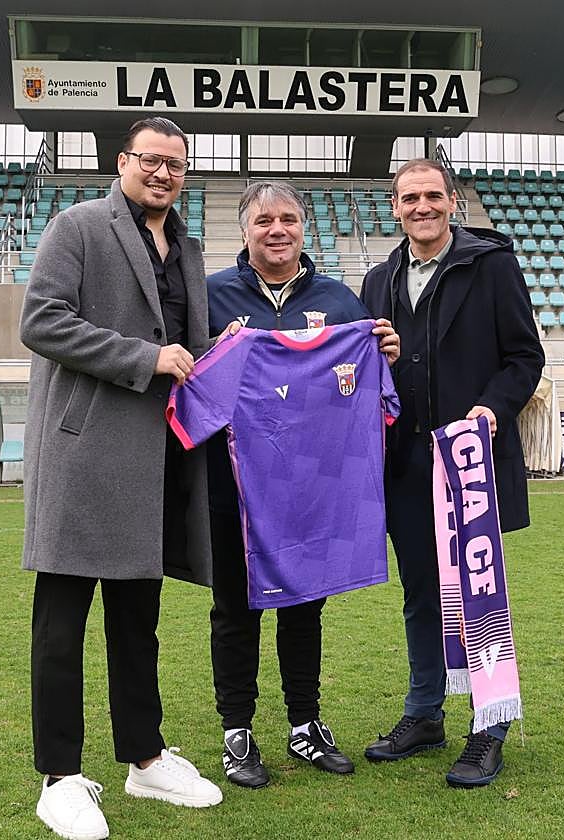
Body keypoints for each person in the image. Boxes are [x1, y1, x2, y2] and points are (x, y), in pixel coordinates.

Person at [20, 116, 222, 840]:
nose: (163, 173)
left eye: (176, 163)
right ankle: (60, 778)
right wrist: (147, 357)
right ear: (123, 161)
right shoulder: (77, 226)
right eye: (151, 160)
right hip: (83, 457)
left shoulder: (189, 249)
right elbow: (41, 322)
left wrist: (214, 351)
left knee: (139, 626)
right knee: (61, 625)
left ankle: (143, 758)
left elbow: (188, 352)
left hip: (157, 461)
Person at [203, 181, 400, 788]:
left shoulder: (340, 301)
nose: (277, 230)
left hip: (313, 484)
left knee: (304, 603)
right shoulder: (209, 297)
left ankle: (304, 725)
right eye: (264, 220)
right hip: (233, 484)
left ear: (303, 228)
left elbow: (366, 388)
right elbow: (184, 373)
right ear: (245, 230)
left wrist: (382, 354)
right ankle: (237, 730)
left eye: (288, 218)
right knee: (234, 606)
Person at [358, 158, 544, 788]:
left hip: (470, 464)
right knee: (419, 592)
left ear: (453, 201)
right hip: (405, 463)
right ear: (394, 207)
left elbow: (525, 355)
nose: (422, 207)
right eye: (409, 198)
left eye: (432, 196)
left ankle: (487, 726)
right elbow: (362, 373)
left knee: (477, 595)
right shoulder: (379, 279)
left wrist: (491, 409)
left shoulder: (491, 265)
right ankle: (424, 713)